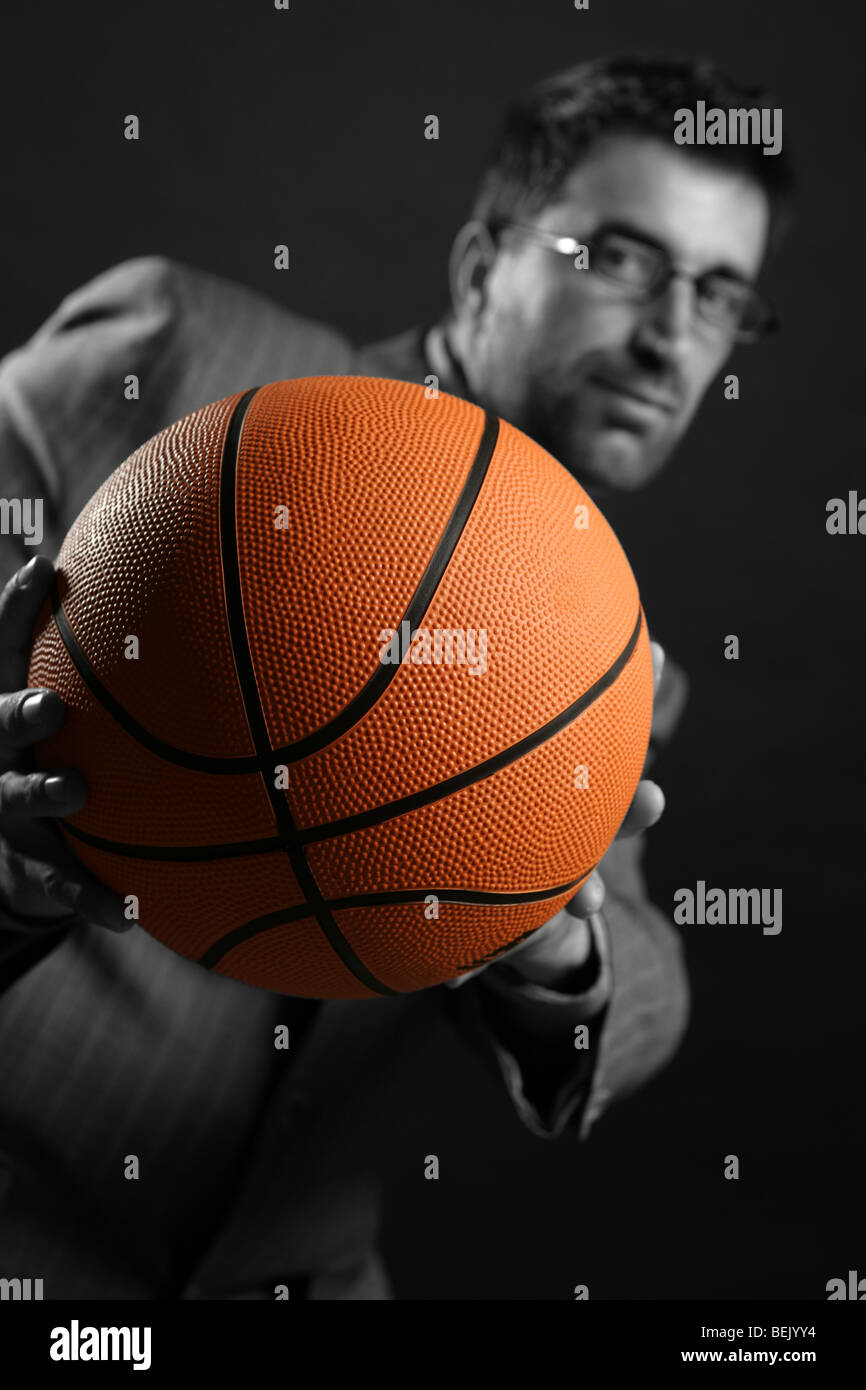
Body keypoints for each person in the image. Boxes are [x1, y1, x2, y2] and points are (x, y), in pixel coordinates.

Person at [0, 55, 792, 1300]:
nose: (666, 339)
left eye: (718, 295)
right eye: (621, 259)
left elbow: (630, 970)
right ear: (482, 267)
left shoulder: (606, 667)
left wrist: (556, 950)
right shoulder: (183, 357)